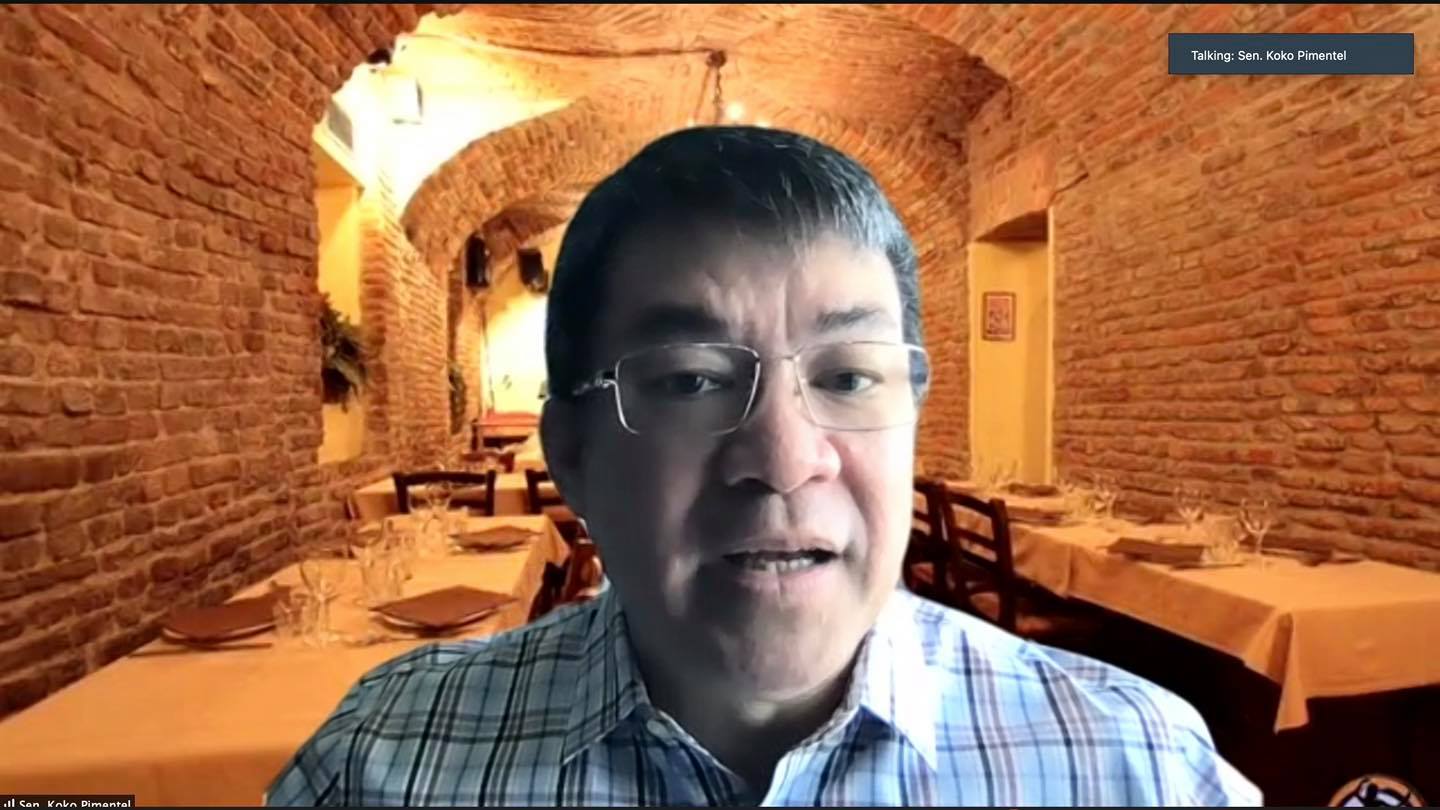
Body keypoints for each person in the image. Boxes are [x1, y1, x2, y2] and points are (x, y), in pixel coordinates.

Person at [266, 126, 1260, 806]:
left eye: (849, 376)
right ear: (572, 453)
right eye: (691, 381)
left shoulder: (1135, 764)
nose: (785, 459)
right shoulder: (384, 766)